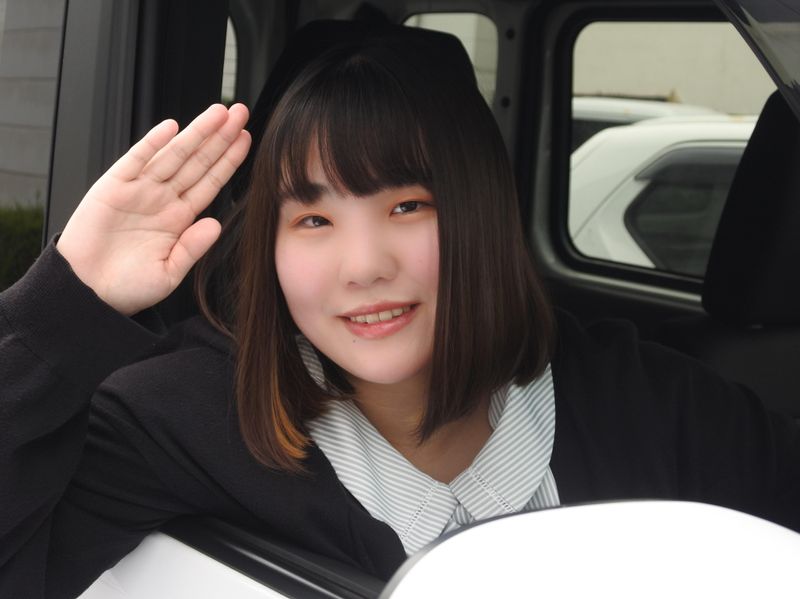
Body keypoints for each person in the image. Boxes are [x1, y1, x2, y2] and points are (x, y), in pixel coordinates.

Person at [1, 20, 798, 598]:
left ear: (479, 213)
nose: (363, 266)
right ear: (268, 246)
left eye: (407, 206)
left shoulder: (646, 401)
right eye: (313, 219)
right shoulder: (187, 416)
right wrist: (64, 305)